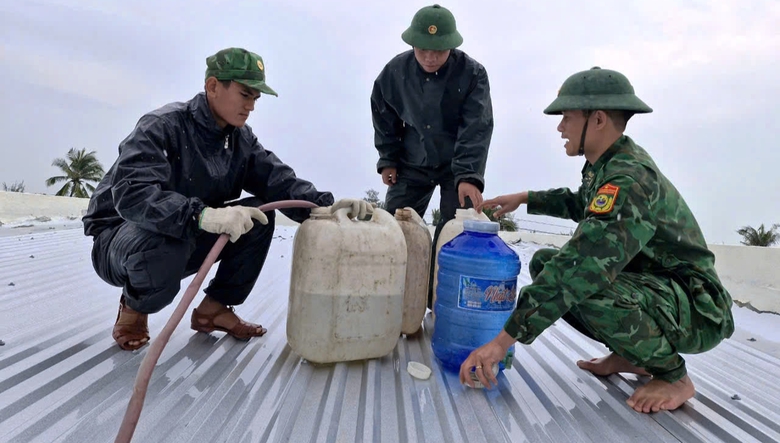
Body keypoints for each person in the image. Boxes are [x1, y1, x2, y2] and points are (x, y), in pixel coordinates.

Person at [459, 67, 735, 414]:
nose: (560, 127)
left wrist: (500, 343)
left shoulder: (629, 178)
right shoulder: (608, 163)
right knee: (545, 262)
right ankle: (633, 355)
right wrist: (526, 197)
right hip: (662, 291)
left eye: (567, 117)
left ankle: (674, 376)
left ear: (598, 119)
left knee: (582, 280)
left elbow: (580, 265)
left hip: (697, 308)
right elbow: (582, 201)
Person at [83, 47, 372, 351]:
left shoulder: (239, 139)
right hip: (121, 240)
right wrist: (201, 216)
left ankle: (214, 310)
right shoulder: (162, 126)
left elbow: (278, 181)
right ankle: (133, 308)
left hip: (185, 234)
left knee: (259, 217)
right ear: (212, 86)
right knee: (167, 241)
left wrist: (327, 207)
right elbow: (133, 194)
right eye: (244, 95)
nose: (250, 107)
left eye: (255, 99)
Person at [370, 4, 494, 307]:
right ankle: (395, 299)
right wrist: (388, 159)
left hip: (456, 166)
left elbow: (476, 126)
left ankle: (439, 300)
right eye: (423, 49)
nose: (430, 57)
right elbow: (384, 116)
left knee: (454, 232)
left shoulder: (473, 73)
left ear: (451, 45)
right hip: (413, 162)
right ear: (412, 43)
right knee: (395, 228)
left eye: (439, 50)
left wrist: (468, 176)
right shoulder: (393, 73)